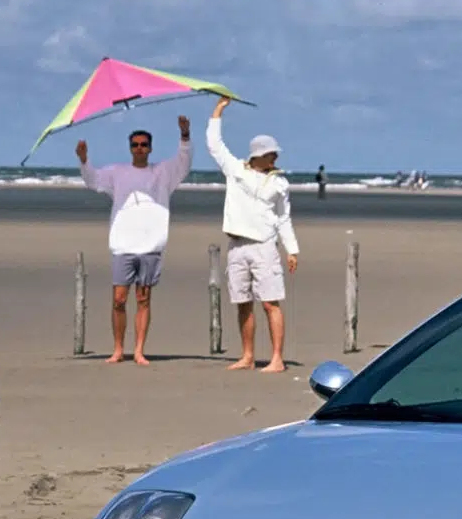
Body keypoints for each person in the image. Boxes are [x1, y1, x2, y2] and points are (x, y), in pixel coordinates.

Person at [78, 115, 193, 365]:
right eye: (135, 145)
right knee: (119, 299)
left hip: (151, 243)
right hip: (123, 243)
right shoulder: (117, 172)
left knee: (143, 298)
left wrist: (184, 136)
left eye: (143, 144)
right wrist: (84, 160)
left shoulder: (162, 172)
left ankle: (139, 350)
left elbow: (183, 163)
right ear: (130, 148)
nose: (139, 148)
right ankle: (119, 349)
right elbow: (93, 180)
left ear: (150, 148)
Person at [206, 97, 298, 372]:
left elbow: (283, 218)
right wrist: (218, 111)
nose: (275, 157)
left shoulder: (279, 183)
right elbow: (215, 145)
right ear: (258, 154)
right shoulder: (236, 170)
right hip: (237, 244)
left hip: (264, 246)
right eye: (271, 153)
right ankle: (247, 356)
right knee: (242, 302)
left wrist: (291, 249)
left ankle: (277, 359)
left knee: (270, 302)